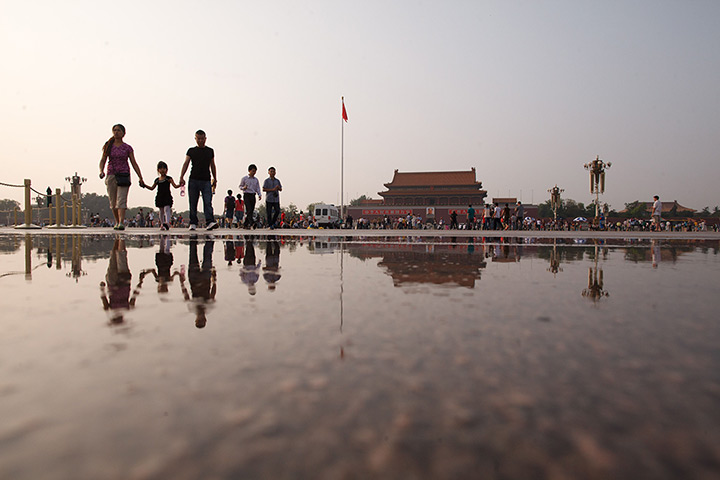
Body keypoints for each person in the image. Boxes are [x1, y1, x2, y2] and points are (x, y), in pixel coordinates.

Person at [98, 124, 146, 230]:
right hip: (111, 175)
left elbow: (134, 162)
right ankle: (116, 221)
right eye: (114, 130)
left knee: (121, 200)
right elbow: (103, 160)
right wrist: (101, 171)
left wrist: (140, 177)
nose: (116, 132)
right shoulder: (109, 146)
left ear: (123, 133)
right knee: (113, 201)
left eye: (118, 130)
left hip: (124, 175)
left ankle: (121, 222)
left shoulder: (127, 148)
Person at [179, 130, 218, 231]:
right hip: (193, 179)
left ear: (205, 139)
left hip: (206, 180)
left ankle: (209, 221)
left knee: (207, 201)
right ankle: (193, 223)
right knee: (193, 202)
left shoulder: (210, 151)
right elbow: (186, 163)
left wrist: (215, 178)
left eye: (202, 139)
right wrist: (181, 176)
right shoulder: (191, 151)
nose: (200, 141)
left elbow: (213, 165)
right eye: (198, 139)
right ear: (195, 139)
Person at [144, 161, 180, 230]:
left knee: (167, 209)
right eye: (161, 168)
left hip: (167, 196)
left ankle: (167, 223)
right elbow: (152, 188)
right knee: (161, 210)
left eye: (164, 168)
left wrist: (180, 185)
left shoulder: (169, 178)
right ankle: (162, 224)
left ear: (167, 170)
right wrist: (144, 185)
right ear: (158, 170)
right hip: (160, 196)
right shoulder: (157, 180)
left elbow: (175, 186)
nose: (162, 170)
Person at [239, 164, 261, 229]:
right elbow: (240, 186)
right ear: (249, 171)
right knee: (249, 209)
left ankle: (245, 224)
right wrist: (244, 187)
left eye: (255, 171)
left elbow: (258, 188)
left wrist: (259, 194)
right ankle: (252, 223)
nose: (254, 173)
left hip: (253, 195)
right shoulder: (244, 178)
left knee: (251, 210)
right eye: (253, 171)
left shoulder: (256, 179)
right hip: (247, 195)